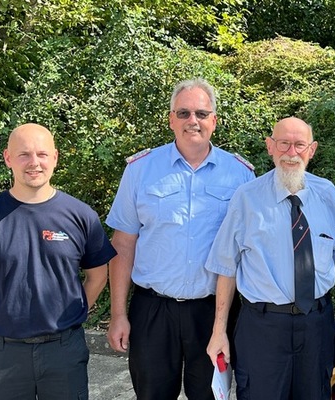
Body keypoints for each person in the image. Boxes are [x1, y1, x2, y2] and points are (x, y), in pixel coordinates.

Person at [106, 78, 254, 399]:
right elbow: (123, 245)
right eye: (184, 113)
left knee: (212, 396)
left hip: (215, 313)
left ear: (214, 120)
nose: (193, 121)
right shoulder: (140, 170)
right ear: (171, 119)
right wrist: (118, 314)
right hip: (152, 311)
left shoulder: (241, 175)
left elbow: (248, 252)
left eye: (201, 113)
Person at [0, 123, 116, 400]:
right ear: (7, 158)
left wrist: (70, 314)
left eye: (42, 154)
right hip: (3, 355)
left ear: (55, 157)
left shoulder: (81, 216)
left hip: (64, 351)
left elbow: (98, 275)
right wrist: (6, 322)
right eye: (24, 154)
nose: (34, 163)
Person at [206, 117, 335, 400]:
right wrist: (219, 331)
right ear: (270, 147)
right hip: (263, 328)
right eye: (283, 144)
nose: (291, 153)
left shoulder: (327, 193)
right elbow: (226, 266)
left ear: (312, 150)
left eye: (299, 145)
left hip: (316, 325)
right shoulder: (246, 198)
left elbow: (334, 250)